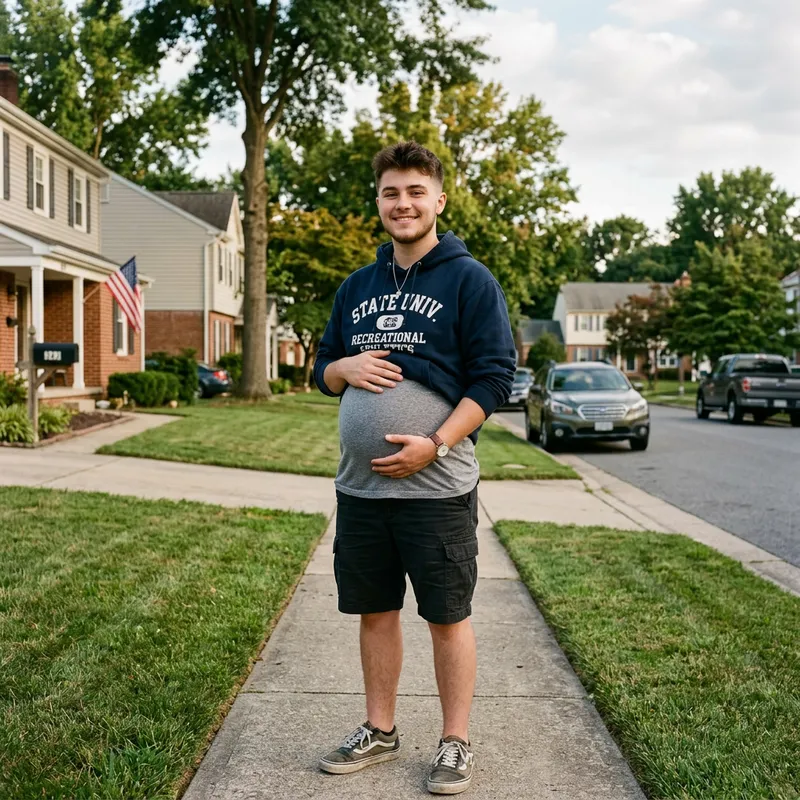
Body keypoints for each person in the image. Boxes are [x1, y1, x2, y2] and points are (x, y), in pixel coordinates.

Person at [313, 141, 515, 795]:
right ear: (378, 202)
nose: (403, 204)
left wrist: (438, 443)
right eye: (391, 193)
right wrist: (342, 368)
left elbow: (494, 379)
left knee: (446, 615)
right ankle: (380, 729)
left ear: (439, 201)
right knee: (375, 612)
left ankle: (455, 742)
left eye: (415, 192)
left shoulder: (470, 280)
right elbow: (323, 369)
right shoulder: (357, 286)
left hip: (437, 487)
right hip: (362, 489)